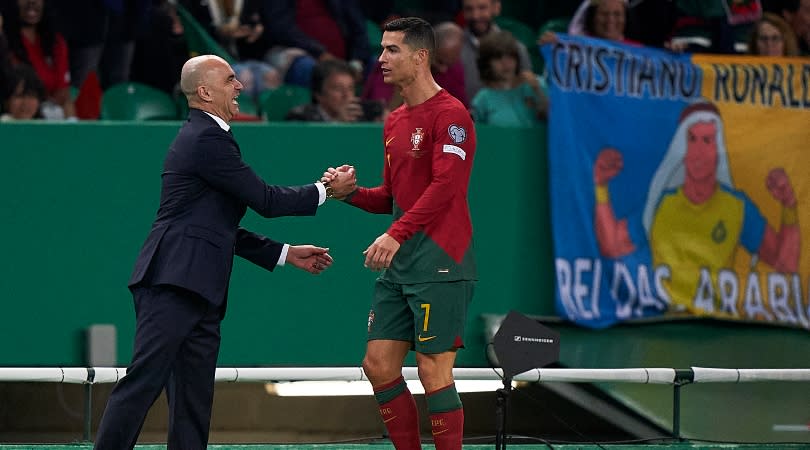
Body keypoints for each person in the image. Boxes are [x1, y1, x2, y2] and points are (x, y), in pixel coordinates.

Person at [92, 54, 356, 450]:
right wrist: (326, 191)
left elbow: (214, 227)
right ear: (204, 91)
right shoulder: (206, 138)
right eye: (231, 79)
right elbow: (265, 199)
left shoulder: (210, 138)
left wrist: (283, 253)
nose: (240, 86)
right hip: (173, 282)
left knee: (193, 401)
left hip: (197, 288)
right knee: (143, 383)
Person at [325, 17, 476, 450]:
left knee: (433, 371)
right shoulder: (394, 122)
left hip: (442, 260)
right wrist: (349, 195)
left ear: (420, 56)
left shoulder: (452, 116)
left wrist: (396, 234)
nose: (381, 59)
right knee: (378, 365)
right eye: (382, 48)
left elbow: (447, 188)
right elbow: (391, 198)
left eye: (392, 50)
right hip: (402, 262)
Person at [593, 100, 799, 312]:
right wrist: (600, 186)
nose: (699, 151)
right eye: (692, 140)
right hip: (663, 329)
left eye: (707, 141)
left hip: (718, 333)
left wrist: (789, 205)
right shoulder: (661, 204)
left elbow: (785, 263)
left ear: (717, 150)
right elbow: (613, 245)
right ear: (682, 149)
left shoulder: (737, 206)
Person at [460, 0, 533, 101]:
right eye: (469, 9)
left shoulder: (516, 48)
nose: (475, 16)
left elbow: (529, 92)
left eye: (482, 8)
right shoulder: (453, 50)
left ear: (496, 8)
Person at [471, 30, 547, 126]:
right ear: (487, 63)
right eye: (498, 58)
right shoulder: (482, 98)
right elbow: (477, 135)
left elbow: (556, 119)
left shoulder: (536, 84)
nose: (506, 63)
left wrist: (538, 91)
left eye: (510, 56)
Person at [286, 58, 381, 122]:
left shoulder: (360, 116)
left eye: (350, 88)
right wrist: (338, 124)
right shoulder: (300, 118)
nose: (347, 95)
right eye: (338, 88)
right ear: (318, 94)